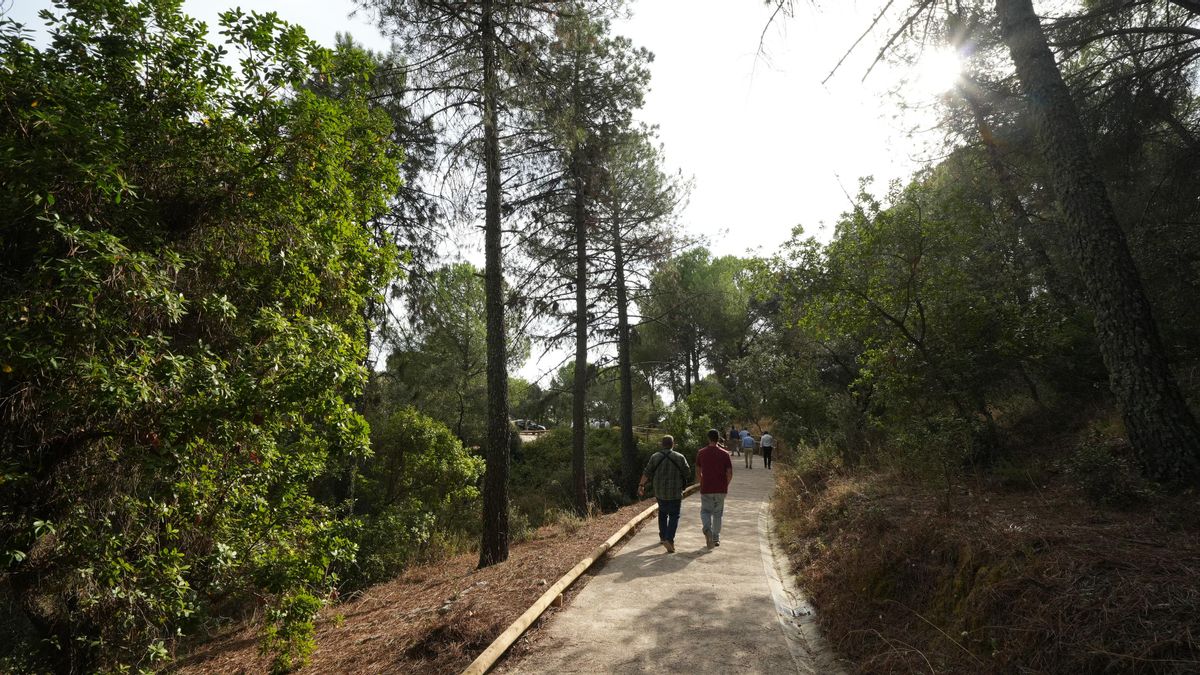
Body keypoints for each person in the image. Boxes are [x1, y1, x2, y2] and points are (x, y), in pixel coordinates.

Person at [638, 435, 690, 554]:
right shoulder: (680, 457)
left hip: (660, 492)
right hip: (675, 492)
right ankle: (669, 540)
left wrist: (641, 485)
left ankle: (662, 537)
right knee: (674, 515)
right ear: (673, 444)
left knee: (662, 513)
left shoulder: (655, 457)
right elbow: (687, 472)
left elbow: (647, 472)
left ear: (662, 444)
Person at [696, 429, 733, 549]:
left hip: (706, 487)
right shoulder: (725, 454)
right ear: (718, 439)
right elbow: (729, 473)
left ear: (708, 438)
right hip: (720, 488)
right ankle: (716, 538)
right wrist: (725, 484)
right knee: (718, 514)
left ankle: (708, 530)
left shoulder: (701, 453)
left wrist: (701, 481)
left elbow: (698, 470)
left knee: (705, 511)